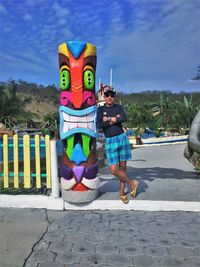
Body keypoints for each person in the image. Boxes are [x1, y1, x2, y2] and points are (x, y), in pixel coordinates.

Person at [96, 85, 139, 204]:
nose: (109, 97)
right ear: (104, 97)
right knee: (114, 170)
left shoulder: (119, 107)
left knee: (123, 168)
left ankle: (122, 192)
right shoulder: (100, 110)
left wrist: (108, 119)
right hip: (110, 141)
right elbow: (100, 124)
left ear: (114, 96)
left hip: (122, 139)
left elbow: (124, 118)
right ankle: (132, 183)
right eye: (107, 95)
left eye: (112, 95)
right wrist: (115, 119)